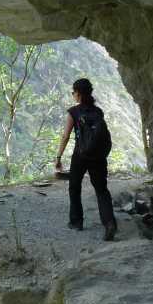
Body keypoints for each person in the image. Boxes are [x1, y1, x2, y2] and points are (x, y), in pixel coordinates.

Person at [55, 77, 118, 241]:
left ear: (78, 93)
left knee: (74, 187)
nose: (73, 95)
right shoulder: (98, 112)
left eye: (73, 92)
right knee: (102, 190)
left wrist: (58, 157)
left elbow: (65, 136)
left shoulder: (73, 112)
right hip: (98, 156)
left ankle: (76, 222)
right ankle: (109, 223)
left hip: (80, 155)